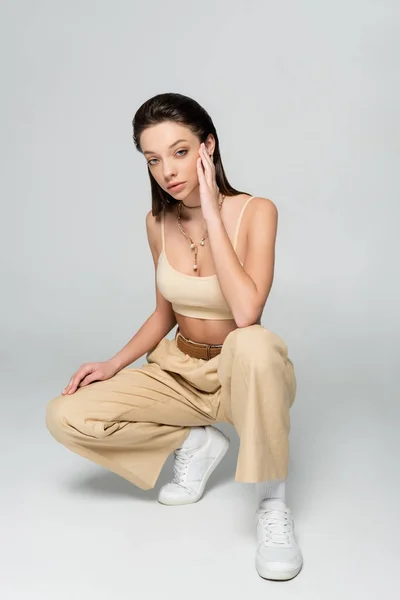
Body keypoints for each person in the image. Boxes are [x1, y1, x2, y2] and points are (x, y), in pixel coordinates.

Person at [45, 92, 302, 581]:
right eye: (153, 159)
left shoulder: (256, 211)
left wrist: (209, 206)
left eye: (180, 152)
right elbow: (165, 312)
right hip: (178, 372)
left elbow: (247, 310)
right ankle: (195, 442)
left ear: (208, 147)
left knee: (254, 341)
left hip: (242, 376)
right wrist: (113, 364)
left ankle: (272, 504)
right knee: (65, 414)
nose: (167, 170)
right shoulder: (157, 223)